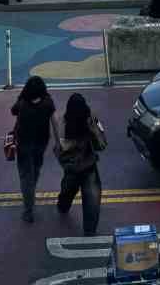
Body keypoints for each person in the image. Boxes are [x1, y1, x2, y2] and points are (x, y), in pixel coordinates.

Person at [54, 91, 107, 232]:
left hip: (85, 166)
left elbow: (101, 144)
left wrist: (92, 130)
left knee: (91, 203)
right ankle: (63, 206)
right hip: (75, 167)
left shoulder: (90, 120)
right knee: (69, 193)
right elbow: (61, 147)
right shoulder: (63, 123)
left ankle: (89, 231)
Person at [11, 76, 57, 224]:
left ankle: (28, 209)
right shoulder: (48, 102)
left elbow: (13, 111)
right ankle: (31, 190)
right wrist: (58, 141)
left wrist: (21, 96)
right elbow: (55, 121)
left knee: (25, 176)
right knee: (36, 169)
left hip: (24, 144)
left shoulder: (23, 104)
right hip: (41, 142)